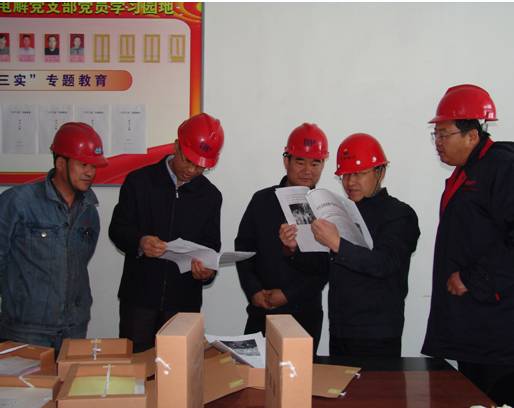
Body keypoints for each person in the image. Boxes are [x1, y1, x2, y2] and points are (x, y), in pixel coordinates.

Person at [280, 133, 420, 357]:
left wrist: (337, 243)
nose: (350, 182)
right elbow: (323, 268)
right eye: (345, 175)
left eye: (360, 173)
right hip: (340, 328)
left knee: (377, 382)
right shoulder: (340, 210)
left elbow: (384, 264)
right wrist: (293, 249)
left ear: (380, 172)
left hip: (378, 332)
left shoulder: (400, 215)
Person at [421, 84, 514, 405]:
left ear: (472, 135)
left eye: (444, 134)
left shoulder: (503, 168)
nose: (438, 143)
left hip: (497, 329)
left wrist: (474, 278)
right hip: (473, 325)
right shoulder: (470, 170)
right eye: (435, 135)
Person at [109, 113, 224, 352]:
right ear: (176, 146)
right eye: (188, 161)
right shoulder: (139, 182)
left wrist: (206, 273)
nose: (192, 170)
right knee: (136, 365)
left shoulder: (210, 196)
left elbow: (211, 246)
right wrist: (140, 242)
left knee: (179, 366)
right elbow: (118, 229)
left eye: (201, 167)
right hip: (139, 300)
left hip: (184, 303)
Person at [0, 123, 108, 351]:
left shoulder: (89, 211)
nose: (90, 172)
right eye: (83, 164)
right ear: (60, 163)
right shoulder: (18, 202)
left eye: (94, 166)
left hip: (73, 327)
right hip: (26, 328)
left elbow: (80, 262)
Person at [235, 123, 329, 352]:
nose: (307, 170)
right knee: (253, 371)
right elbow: (243, 249)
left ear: (323, 165)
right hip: (261, 312)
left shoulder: (326, 208)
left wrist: (288, 295)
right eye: (300, 162)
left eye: (315, 163)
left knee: (300, 374)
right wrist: (253, 291)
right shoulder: (262, 201)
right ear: (286, 161)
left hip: (304, 316)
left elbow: (325, 268)